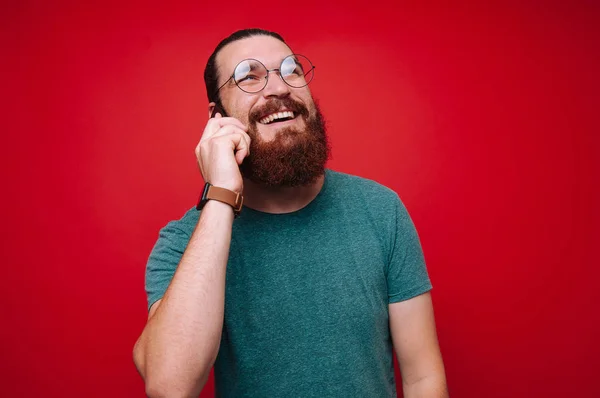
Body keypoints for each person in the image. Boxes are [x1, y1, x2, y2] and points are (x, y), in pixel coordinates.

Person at [133, 28, 448, 398]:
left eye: (290, 69)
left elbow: (422, 378)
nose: (279, 87)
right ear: (217, 117)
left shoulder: (380, 210)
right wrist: (220, 196)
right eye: (249, 76)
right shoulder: (184, 242)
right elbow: (170, 386)